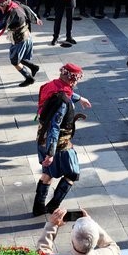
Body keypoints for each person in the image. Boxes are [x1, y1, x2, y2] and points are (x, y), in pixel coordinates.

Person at [32, 63, 92, 216]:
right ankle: (53, 205)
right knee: (72, 173)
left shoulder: (50, 85)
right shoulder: (63, 102)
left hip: (42, 137)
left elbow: (65, 92)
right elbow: (55, 127)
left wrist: (81, 98)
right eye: (77, 79)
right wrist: (51, 154)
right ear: (72, 80)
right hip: (59, 143)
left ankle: (38, 208)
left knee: (48, 173)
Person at [0, 0, 42, 87]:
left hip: (20, 39)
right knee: (18, 57)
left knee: (14, 61)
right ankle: (33, 67)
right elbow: (27, 9)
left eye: (0, 6)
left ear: (5, 4)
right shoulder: (16, 4)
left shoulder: (11, 13)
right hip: (24, 36)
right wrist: (36, 18)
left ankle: (29, 78)